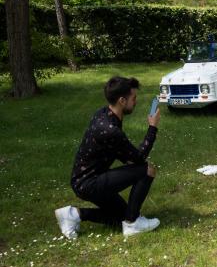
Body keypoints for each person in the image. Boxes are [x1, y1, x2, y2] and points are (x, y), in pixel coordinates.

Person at [55, 76, 161, 239]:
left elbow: (116, 150)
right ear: (122, 101)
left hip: (83, 180)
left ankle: (74, 214)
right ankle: (133, 224)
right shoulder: (110, 129)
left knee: (122, 215)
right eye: (133, 98)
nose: (136, 101)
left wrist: (128, 159)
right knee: (147, 170)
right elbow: (139, 158)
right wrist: (152, 128)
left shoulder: (103, 113)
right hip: (89, 183)